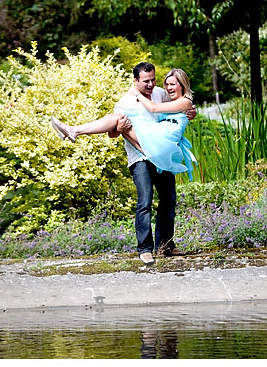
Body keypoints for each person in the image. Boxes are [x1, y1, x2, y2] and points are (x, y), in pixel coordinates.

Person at [50, 63, 197, 265]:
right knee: (145, 201)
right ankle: (144, 249)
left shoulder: (159, 93)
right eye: (146, 81)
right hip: (140, 158)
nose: (151, 84)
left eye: (153, 79)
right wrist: (120, 128)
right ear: (135, 81)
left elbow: (178, 102)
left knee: (168, 200)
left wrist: (191, 111)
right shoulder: (126, 101)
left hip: (162, 155)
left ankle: (165, 246)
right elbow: (112, 133)